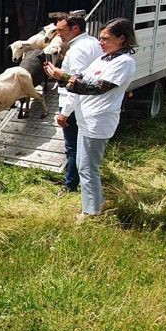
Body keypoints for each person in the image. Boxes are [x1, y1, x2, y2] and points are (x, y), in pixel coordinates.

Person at [44, 18, 137, 223]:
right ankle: (94, 205)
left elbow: (96, 87)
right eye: (100, 38)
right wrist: (63, 76)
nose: (100, 42)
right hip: (86, 119)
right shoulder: (104, 59)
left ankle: (92, 214)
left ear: (122, 39)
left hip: (98, 122)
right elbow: (82, 78)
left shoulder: (124, 63)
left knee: (88, 168)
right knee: (82, 165)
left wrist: (63, 77)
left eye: (105, 38)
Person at [51, 12, 103, 196]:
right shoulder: (94, 43)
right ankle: (78, 179)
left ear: (75, 28)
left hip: (74, 104)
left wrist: (64, 112)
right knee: (82, 145)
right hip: (90, 103)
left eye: (61, 30)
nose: (58, 35)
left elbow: (76, 84)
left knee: (72, 146)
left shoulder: (78, 50)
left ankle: (70, 185)